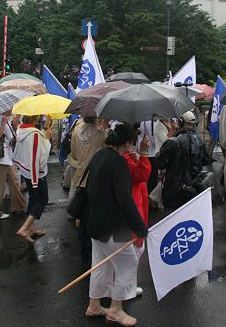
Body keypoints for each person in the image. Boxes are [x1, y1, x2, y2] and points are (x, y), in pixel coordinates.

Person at [85, 123, 148, 326]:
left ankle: (94, 305)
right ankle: (116, 309)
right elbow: (125, 200)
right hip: (114, 224)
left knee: (100, 265)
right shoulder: (119, 163)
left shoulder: (100, 155)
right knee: (129, 263)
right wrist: (139, 228)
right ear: (128, 143)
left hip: (94, 220)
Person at [156, 111, 218, 212]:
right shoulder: (199, 140)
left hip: (173, 192)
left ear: (180, 122)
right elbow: (206, 160)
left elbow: (160, 163)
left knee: (173, 221)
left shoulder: (173, 142)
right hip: (194, 191)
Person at [13, 115, 52, 243]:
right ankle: (24, 228)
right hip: (36, 173)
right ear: (35, 119)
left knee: (33, 199)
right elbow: (40, 158)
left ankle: (31, 228)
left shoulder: (21, 129)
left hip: (26, 170)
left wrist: (45, 129)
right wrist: (47, 139)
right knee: (42, 200)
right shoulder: (35, 134)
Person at [0, 111, 26, 220]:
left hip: (7, 159)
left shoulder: (7, 120)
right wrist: (3, 123)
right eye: (11, 107)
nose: (12, 109)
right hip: (0, 159)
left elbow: (7, 139)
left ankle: (19, 206)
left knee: (14, 182)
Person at [123, 133, 151, 259]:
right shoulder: (123, 160)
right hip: (132, 213)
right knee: (128, 270)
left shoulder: (109, 155)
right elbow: (142, 174)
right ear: (127, 143)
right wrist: (144, 152)